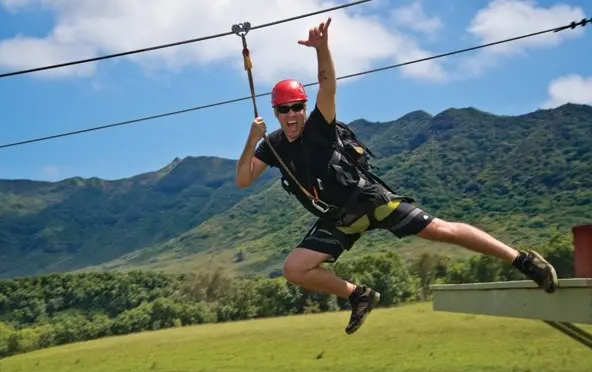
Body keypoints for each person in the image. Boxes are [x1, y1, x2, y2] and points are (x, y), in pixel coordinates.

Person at [235, 17, 559, 335]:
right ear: (275, 113)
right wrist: (252, 139)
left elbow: (327, 84)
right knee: (294, 269)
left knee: (442, 231)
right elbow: (243, 180)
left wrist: (322, 48)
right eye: (284, 109)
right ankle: (358, 295)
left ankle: (522, 260)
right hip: (339, 219)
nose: (291, 115)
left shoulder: (320, 127)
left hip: (368, 200)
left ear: (305, 108)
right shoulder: (273, 145)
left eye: (296, 107)